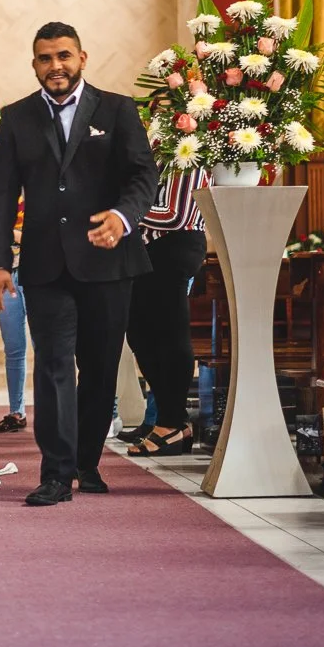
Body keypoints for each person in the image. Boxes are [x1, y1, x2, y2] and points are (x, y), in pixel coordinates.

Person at [0, 22, 158, 505]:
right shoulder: (16, 118)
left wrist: (123, 218)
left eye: (63, 56)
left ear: (82, 58)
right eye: (44, 58)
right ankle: (56, 473)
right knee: (55, 365)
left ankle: (87, 461)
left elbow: (144, 176)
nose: (55, 66)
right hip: (45, 265)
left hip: (109, 261)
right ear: (34, 64)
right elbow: (2, 198)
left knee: (100, 369)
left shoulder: (119, 109)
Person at [126, 167, 209, 457]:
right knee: (138, 334)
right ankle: (176, 421)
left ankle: (170, 424)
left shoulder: (188, 153)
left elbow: (177, 215)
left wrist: (124, 207)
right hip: (149, 249)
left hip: (175, 248)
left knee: (170, 335)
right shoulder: (158, 144)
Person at [0, 199, 29, 434]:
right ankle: (17, 411)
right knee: (13, 348)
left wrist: (7, 232)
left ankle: (52, 411)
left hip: (37, 270)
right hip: (6, 272)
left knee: (45, 346)